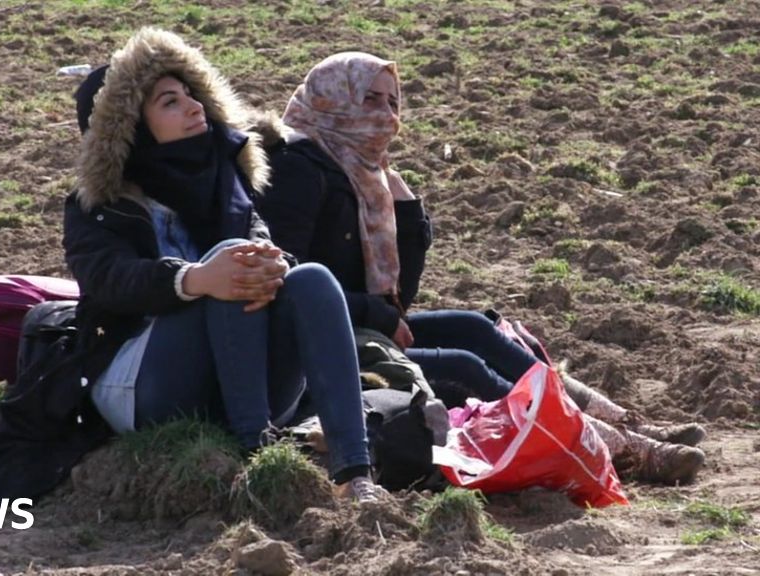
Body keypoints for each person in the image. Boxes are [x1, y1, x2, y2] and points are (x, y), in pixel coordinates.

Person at [256, 51, 706, 485]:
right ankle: (620, 450)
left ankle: (624, 425)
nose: (387, 115)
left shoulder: (362, 173)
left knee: (473, 326)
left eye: (394, 101)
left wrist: (408, 212)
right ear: (332, 97)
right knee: (462, 364)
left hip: (362, 326)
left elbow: (399, 299)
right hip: (312, 348)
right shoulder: (296, 170)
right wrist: (379, 315)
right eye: (370, 98)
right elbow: (290, 283)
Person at [63, 28, 385, 502]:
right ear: (128, 125)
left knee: (309, 277)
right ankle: (256, 456)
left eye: (192, 95)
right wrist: (193, 279)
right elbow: (110, 281)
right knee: (228, 266)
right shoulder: (99, 204)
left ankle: (355, 470)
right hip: (146, 381)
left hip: (243, 370)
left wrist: (274, 266)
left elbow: (265, 253)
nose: (194, 107)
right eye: (170, 102)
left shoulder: (224, 179)